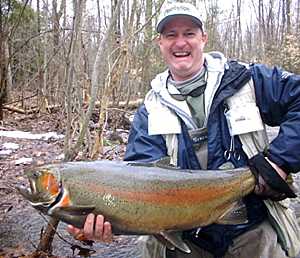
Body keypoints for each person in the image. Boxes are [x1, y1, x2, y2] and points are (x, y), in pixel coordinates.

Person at [67, 2, 300, 258]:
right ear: (160, 43)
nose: (180, 43)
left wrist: (279, 160)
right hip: (183, 240)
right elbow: (139, 183)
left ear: (203, 38)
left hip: (252, 229)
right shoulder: (148, 113)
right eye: (171, 35)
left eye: (189, 33)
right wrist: (109, 215)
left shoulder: (246, 80)